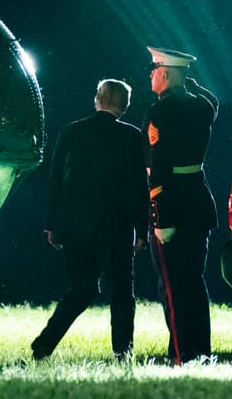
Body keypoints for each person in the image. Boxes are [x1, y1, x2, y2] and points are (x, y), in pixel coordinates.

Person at [31, 79, 149, 360]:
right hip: (117, 228)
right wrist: (141, 229)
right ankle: (123, 352)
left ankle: (44, 344)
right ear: (125, 105)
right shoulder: (131, 136)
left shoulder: (70, 132)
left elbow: (55, 180)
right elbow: (138, 187)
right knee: (122, 291)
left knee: (82, 288)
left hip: (76, 227)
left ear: (98, 99)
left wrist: (51, 224)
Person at [143, 45, 219, 364]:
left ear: (165, 74)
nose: (150, 75)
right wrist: (190, 82)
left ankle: (181, 354)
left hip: (171, 203)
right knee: (194, 282)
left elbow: (156, 166)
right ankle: (200, 349)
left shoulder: (159, 112)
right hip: (197, 202)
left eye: (154, 70)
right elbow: (214, 103)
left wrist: (160, 218)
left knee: (172, 286)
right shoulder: (201, 106)